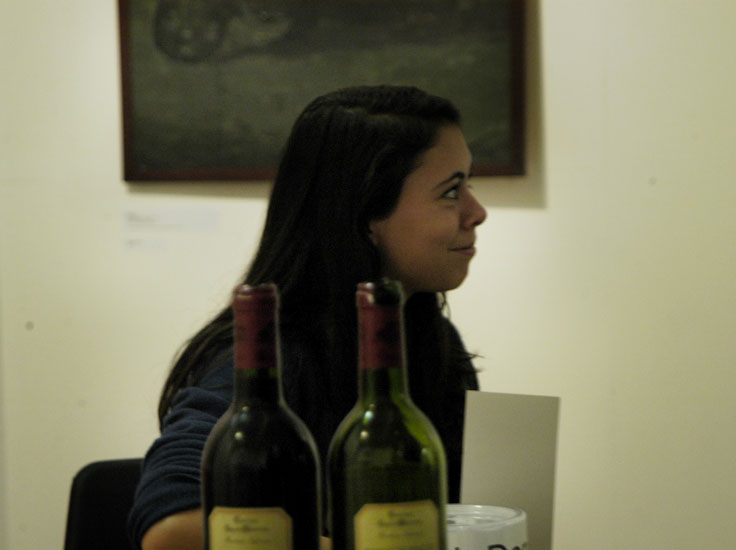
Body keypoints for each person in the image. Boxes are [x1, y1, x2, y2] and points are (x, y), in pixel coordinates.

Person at [128, 85, 487, 550]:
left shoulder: (431, 338)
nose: (477, 212)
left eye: (469, 184)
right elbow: (170, 531)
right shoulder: (268, 358)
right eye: (452, 191)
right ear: (367, 215)